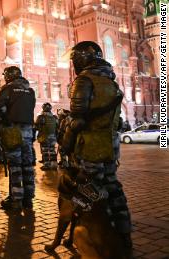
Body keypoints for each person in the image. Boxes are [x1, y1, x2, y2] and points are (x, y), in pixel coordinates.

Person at [62, 41, 132, 254]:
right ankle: (124, 231)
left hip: (90, 148)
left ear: (82, 59)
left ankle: (91, 238)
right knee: (112, 186)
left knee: (88, 191)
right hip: (111, 147)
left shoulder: (83, 81)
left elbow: (78, 121)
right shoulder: (110, 81)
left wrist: (66, 144)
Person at [0, 66, 36, 211]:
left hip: (12, 131)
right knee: (27, 165)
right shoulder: (30, 90)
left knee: (15, 166)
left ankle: (16, 199)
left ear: (8, 75)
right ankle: (28, 198)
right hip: (28, 132)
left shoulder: (7, 89)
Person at [35, 102, 58, 170]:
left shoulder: (40, 117)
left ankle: (47, 165)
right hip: (53, 137)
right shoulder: (54, 117)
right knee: (52, 151)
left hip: (44, 137)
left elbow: (36, 127)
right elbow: (58, 126)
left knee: (45, 151)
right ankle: (54, 165)